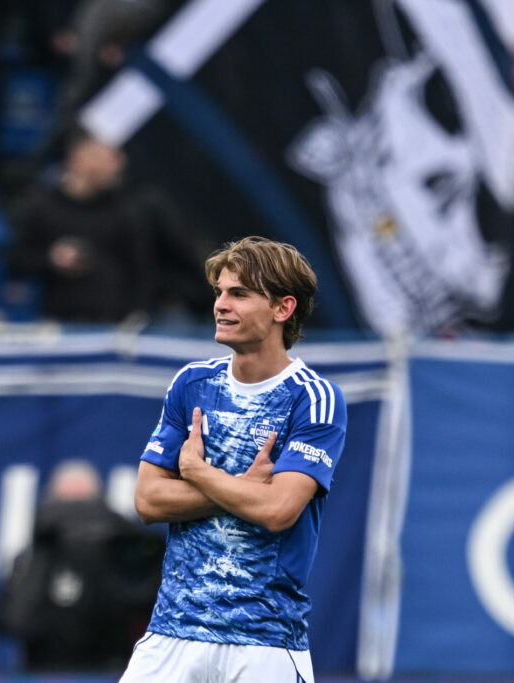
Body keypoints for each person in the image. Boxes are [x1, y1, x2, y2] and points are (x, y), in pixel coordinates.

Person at [121, 236, 347, 682]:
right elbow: (148, 501)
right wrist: (242, 486)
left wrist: (197, 473)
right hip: (171, 635)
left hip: (264, 642)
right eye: (220, 292)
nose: (221, 305)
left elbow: (278, 509)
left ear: (283, 308)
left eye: (239, 294)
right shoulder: (191, 383)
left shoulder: (314, 398)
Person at [0, 459, 164, 672]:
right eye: (66, 509)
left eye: (85, 508)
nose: (76, 520)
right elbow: (14, 620)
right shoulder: (37, 555)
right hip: (51, 671)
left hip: (111, 670)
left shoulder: (124, 548)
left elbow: (152, 612)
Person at [6, 129, 154, 323]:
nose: (119, 164)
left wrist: (137, 316)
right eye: (109, 156)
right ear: (78, 159)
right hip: (58, 325)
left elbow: (143, 271)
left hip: (114, 326)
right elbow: (16, 260)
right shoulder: (42, 208)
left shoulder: (125, 211)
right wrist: (51, 258)